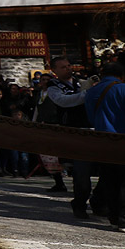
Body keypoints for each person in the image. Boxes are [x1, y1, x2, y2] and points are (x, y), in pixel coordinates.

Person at [35, 55, 97, 212]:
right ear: (54, 70)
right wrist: (87, 94)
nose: (68, 68)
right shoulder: (53, 86)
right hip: (72, 130)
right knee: (81, 172)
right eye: (63, 67)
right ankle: (80, 203)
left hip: (90, 128)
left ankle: (98, 201)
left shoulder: (79, 81)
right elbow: (64, 101)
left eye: (69, 65)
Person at [83, 62, 125, 232]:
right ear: (122, 75)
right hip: (124, 140)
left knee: (109, 180)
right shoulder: (124, 89)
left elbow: (91, 117)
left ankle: (114, 218)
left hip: (102, 141)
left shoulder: (91, 92)